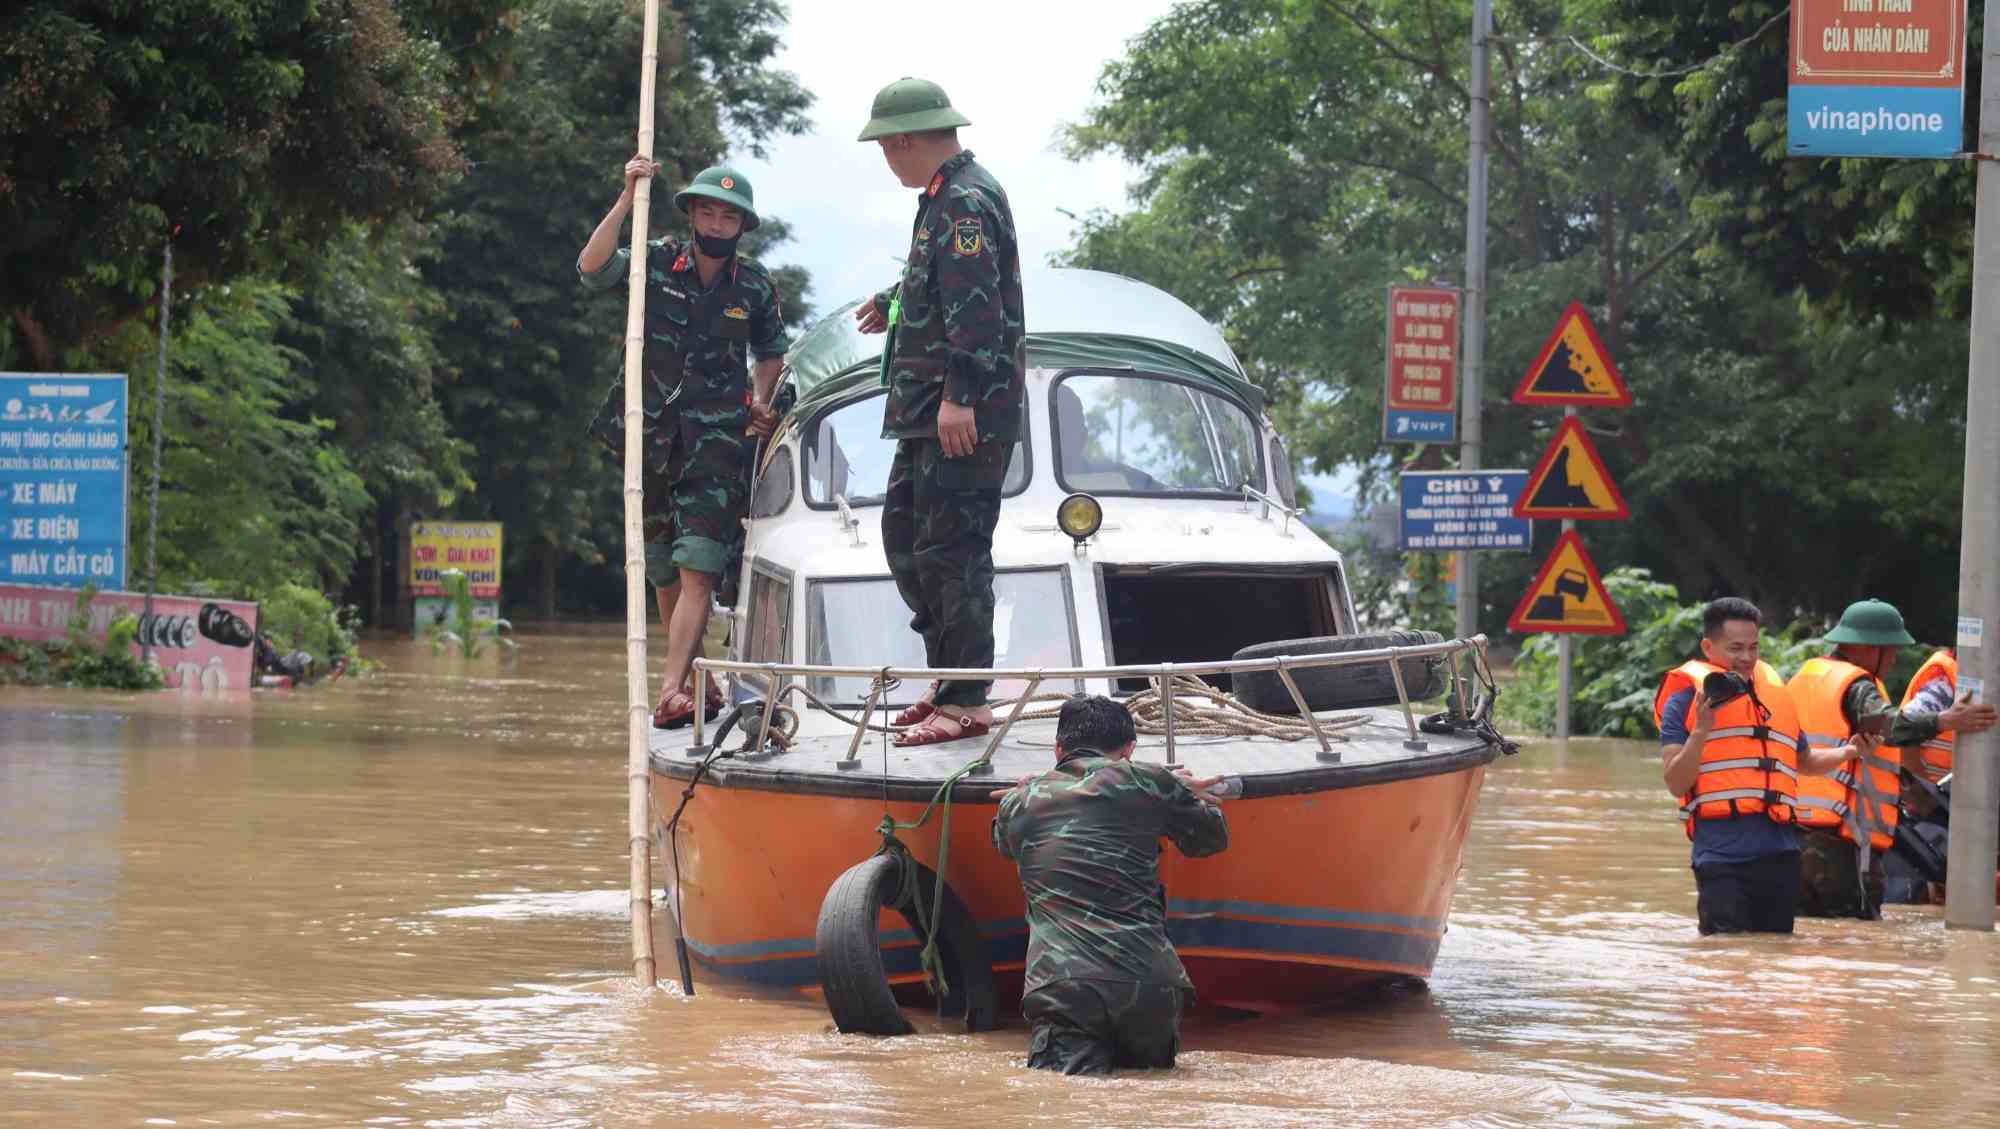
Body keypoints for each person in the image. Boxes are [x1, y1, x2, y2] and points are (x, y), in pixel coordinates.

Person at [578, 159, 788, 727]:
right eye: (708, 212)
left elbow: (771, 353)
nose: (717, 225)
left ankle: (670, 689)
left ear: (742, 226)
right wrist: (625, 198)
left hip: (718, 437)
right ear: (692, 213)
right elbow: (592, 268)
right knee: (664, 570)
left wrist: (762, 401)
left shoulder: (754, 285)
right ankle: (701, 679)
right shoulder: (656, 260)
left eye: (729, 217)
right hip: (649, 438)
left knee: (699, 565)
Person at [851, 77, 1027, 747]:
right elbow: (944, 286)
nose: (886, 161)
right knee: (908, 540)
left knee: (954, 551)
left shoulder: (963, 204)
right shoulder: (944, 200)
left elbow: (979, 313)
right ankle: (953, 674)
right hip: (927, 411)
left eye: (885, 149)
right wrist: (892, 299)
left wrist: (959, 394)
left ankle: (968, 696)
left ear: (901, 141)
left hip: (960, 411)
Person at [991, 695, 1229, 1074]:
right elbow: (1211, 839)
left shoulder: (1018, 803)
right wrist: (1180, 790)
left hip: (1065, 989)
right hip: (1151, 986)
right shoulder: (1147, 781)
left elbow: (1005, 845)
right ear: (1129, 749)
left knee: (1072, 1106)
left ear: (1058, 748)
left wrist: (1028, 788)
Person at [1657, 598, 1869, 935]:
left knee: (1772, 961)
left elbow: (1805, 761)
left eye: (1754, 647)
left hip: (1780, 856)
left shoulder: (1773, 693)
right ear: (1708, 647)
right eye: (1736, 648)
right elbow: (1676, 782)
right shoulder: (1683, 700)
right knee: (1724, 960)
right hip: (1720, 858)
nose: (1746, 658)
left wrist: (1848, 752)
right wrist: (1701, 731)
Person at [1786, 599, 1997, 918]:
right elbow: (1890, 725)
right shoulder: (1856, 685)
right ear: (1872, 647)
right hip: (1840, 843)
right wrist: (1946, 721)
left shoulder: (1807, 676)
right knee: (1855, 941)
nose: (1896, 658)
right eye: (1893, 649)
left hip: (1791, 835)